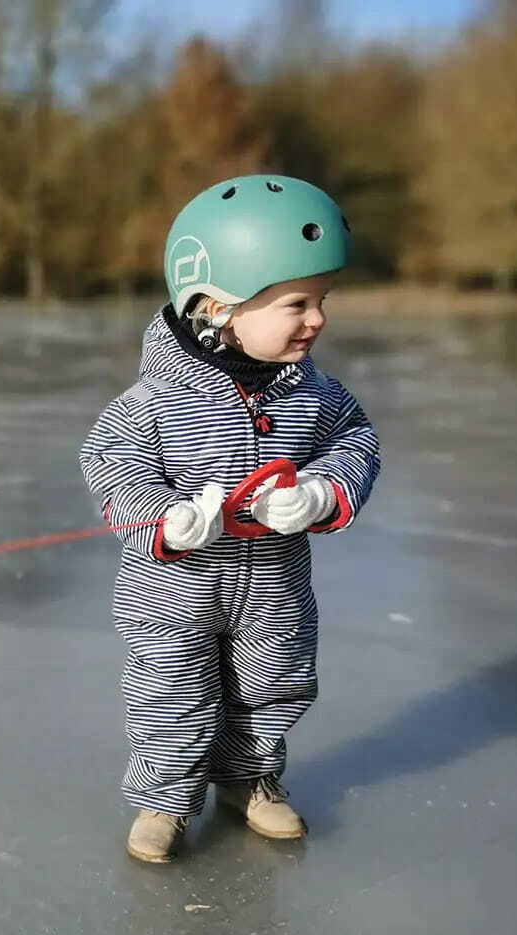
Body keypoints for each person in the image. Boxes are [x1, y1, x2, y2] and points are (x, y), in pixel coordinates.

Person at [79, 175, 381, 863]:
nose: (318, 319)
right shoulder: (151, 403)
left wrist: (321, 491)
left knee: (272, 682)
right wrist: (163, 518)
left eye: (322, 301)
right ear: (217, 306)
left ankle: (249, 780)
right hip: (173, 592)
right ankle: (164, 797)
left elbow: (355, 442)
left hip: (272, 585)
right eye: (297, 303)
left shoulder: (318, 395)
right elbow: (111, 461)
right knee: (171, 692)